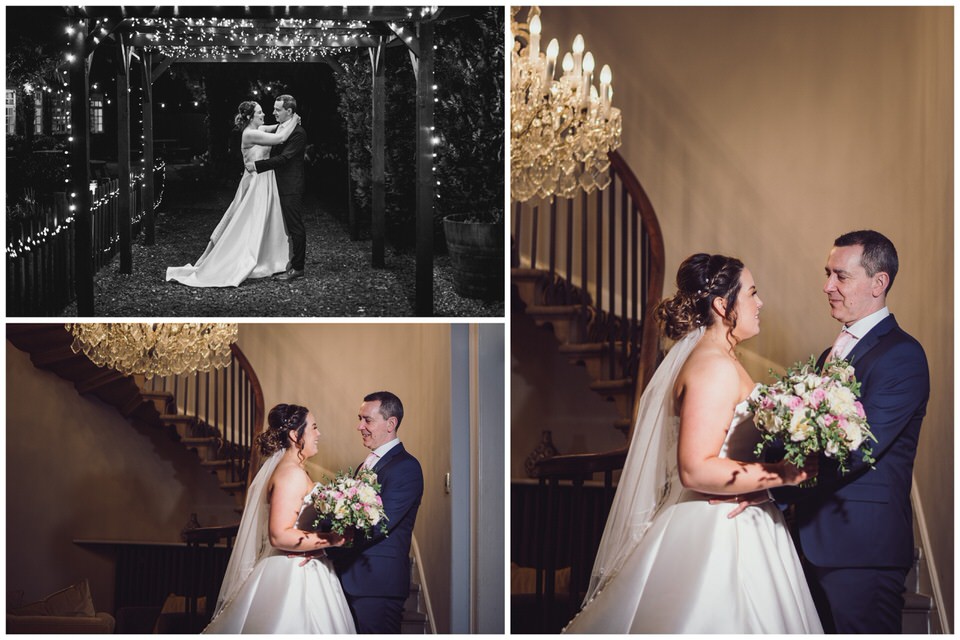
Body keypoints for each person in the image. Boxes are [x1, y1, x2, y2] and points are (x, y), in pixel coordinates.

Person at [563, 253, 823, 634]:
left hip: (742, 512)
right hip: (718, 530)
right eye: (752, 293)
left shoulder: (722, 358)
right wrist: (784, 474)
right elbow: (695, 468)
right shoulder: (713, 367)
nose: (760, 302)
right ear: (723, 305)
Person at [770, 230, 930, 633]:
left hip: (862, 549)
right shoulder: (831, 353)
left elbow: (860, 449)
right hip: (811, 538)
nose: (827, 286)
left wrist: (768, 483)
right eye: (828, 274)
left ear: (879, 283)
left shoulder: (902, 355)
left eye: (840, 276)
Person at [203, 404, 356, 634]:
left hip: (305, 563)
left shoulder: (294, 469)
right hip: (293, 576)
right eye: (313, 427)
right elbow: (279, 534)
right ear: (296, 435)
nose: (318, 434)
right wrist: (332, 540)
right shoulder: (291, 474)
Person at [166, 101, 295, 287]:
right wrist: (295, 120)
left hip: (266, 179)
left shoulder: (260, 128)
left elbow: (278, 127)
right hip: (255, 182)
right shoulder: (250, 134)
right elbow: (280, 138)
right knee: (248, 221)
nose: (264, 114)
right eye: (260, 112)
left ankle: (267, 256)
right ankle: (240, 257)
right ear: (251, 117)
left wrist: (287, 119)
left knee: (265, 219)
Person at [328, 391, 424, 634]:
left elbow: (379, 524)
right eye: (359, 419)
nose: (360, 426)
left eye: (367, 420)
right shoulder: (367, 464)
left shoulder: (406, 467)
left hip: (378, 584)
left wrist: (324, 544)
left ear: (390, 424)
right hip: (353, 577)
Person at [244, 94, 308, 282]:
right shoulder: (281, 128)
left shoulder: (298, 133)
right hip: (274, 184)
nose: (273, 112)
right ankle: (281, 260)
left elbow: (285, 158)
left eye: (277, 109)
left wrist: (257, 166)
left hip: (290, 185)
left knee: (295, 226)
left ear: (289, 111)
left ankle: (298, 267)